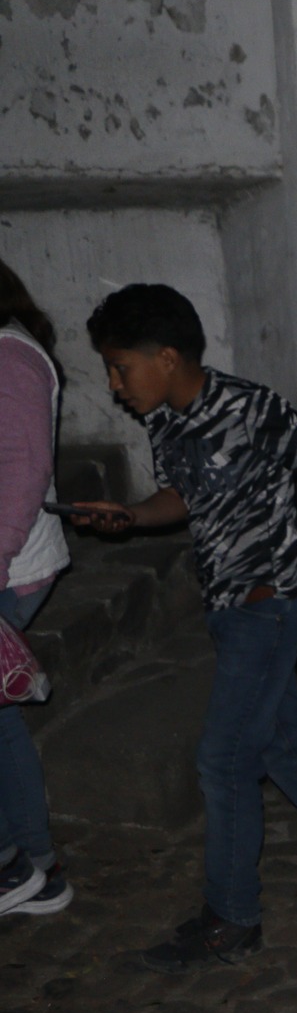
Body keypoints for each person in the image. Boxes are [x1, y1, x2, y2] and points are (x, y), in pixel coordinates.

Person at [72, 285, 297, 972]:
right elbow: (181, 497)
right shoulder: (165, 419)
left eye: (121, 366)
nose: (114, 383)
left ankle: (231, 918)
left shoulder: (250, 407)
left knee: (223, 758)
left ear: (165, 357)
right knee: (278, 734)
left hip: (269, 604)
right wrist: (129, 515)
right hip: (229, 609)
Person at [0, 260, 71, 917]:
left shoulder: (11, 359)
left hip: (12, 564)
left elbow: (23, 474)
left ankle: (19, 863)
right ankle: (32, 866)